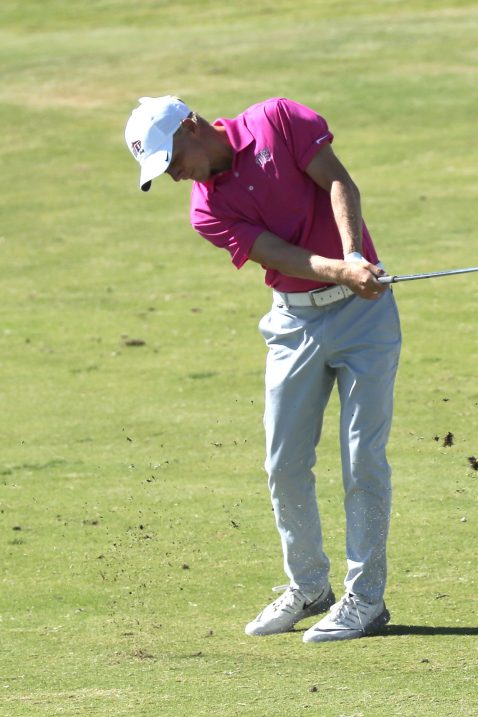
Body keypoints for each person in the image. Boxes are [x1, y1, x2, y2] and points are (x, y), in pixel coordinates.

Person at [124, 96, 401, 643]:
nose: (176, 175)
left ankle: (366, 600)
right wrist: (339, 269)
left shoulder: (276, 119)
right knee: (284, 463)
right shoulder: (205, 210)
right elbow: (274, 252)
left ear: (191, 126)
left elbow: (340, 182)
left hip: (364, 316)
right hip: (293, 323)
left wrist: (353, 255)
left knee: (361, 457)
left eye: (172, 158)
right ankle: (309, 587)